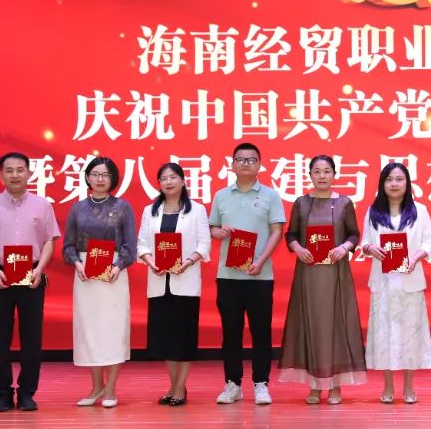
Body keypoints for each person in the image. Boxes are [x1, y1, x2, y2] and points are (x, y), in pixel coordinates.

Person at [0, 151, 60, 412]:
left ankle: (27, 392)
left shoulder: (42, 205)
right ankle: (2, 393)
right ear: (1, 175)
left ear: (29, 173)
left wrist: (40, 269)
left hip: (32, 275)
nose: (15, 175)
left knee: (32, 337)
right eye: (9, 170)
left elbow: (49, 240)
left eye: (20, 170)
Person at [280, 155, 367, 405]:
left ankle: (336, 386)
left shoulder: (344, 203)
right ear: (310, 175)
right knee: (312, 324)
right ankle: (315, 386)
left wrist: (344, 247)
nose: (321, 176)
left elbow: (354, 234)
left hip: (336, 273)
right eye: (316, 171)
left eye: (326, 171)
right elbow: (291, 234)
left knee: (335, 325)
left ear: (334, 174)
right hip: (309, 273)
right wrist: (298, 249)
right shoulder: (301, 203)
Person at [209, 142, 286, 405]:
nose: (245, 164)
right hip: (228, 276)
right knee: (230, 333)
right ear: (232, 165)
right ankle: (232, 384)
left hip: (259, 276)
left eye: (251, 160)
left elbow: (277, 231)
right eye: (240, 160)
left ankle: (261, 383)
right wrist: (219, 232)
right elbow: (213, 228)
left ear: (259, 165)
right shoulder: (221, 195)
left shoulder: (270, 196)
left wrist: (261, 261)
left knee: (261, 332)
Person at [62, 157, 137, 408]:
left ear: (113, 178)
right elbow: (68, 245)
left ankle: (111, 389)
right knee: (90, 330)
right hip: (85, 274)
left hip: (113, 272)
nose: (100, 179)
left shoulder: (123, 207)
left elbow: (130, 245)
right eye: (95, 174)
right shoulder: (77, 208)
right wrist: (77, 263)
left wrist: (118, 265)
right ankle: (96, 387)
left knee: (113, 330)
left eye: (105, 175)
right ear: (87, 177)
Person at [361, 162, 431, 404]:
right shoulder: (373, 211)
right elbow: (364, 242)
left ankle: (408, 386)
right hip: (383, 282)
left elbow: (429, 242)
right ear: (382, 184)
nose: (394, 184)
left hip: (409, 280)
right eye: (389, 179)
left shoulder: (419, 210)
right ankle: (387, 386)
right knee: (384, 335)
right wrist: (370, 248)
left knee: (410, 335)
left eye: (399, 179)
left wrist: (416, 257)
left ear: (407, 183)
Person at [137, 162, 211, 407]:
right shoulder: (150, 210)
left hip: (185, 282)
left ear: (183, 181)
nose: (168, 182)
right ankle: (173, 385)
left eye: (172, 177)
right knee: (165, 339)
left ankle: (180, 387)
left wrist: (188, 262)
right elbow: (142, 244)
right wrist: (150, 262)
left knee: (183, 338)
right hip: (160, 282)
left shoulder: (197, 210)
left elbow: (204, 244)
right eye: (163, 178)